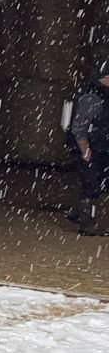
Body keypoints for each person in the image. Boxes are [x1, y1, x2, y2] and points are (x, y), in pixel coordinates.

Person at [69, 58, 109, 236]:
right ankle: (86, 224)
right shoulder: (92, 97)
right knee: (91, 183)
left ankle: (76, 212)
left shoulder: (103, 94)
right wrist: (85, 150)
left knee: (99, 182)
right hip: (90, 146)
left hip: (101, 146)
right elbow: (79, 127)